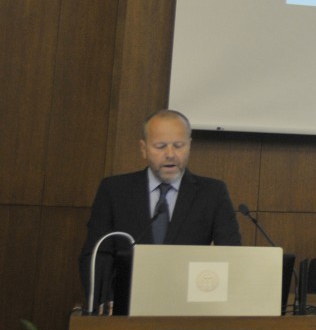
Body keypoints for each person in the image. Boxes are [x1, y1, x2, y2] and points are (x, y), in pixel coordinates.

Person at [79, 109, 243, 314]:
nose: (170, 154)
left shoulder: (212, 192)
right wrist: (105, 300)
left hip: (189, 309)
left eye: (178, 145)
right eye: (161, 146)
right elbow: (97, 253)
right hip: (124, 309)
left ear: (189, 146)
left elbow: (231, 255)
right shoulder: (114, 190)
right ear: (143, 148)